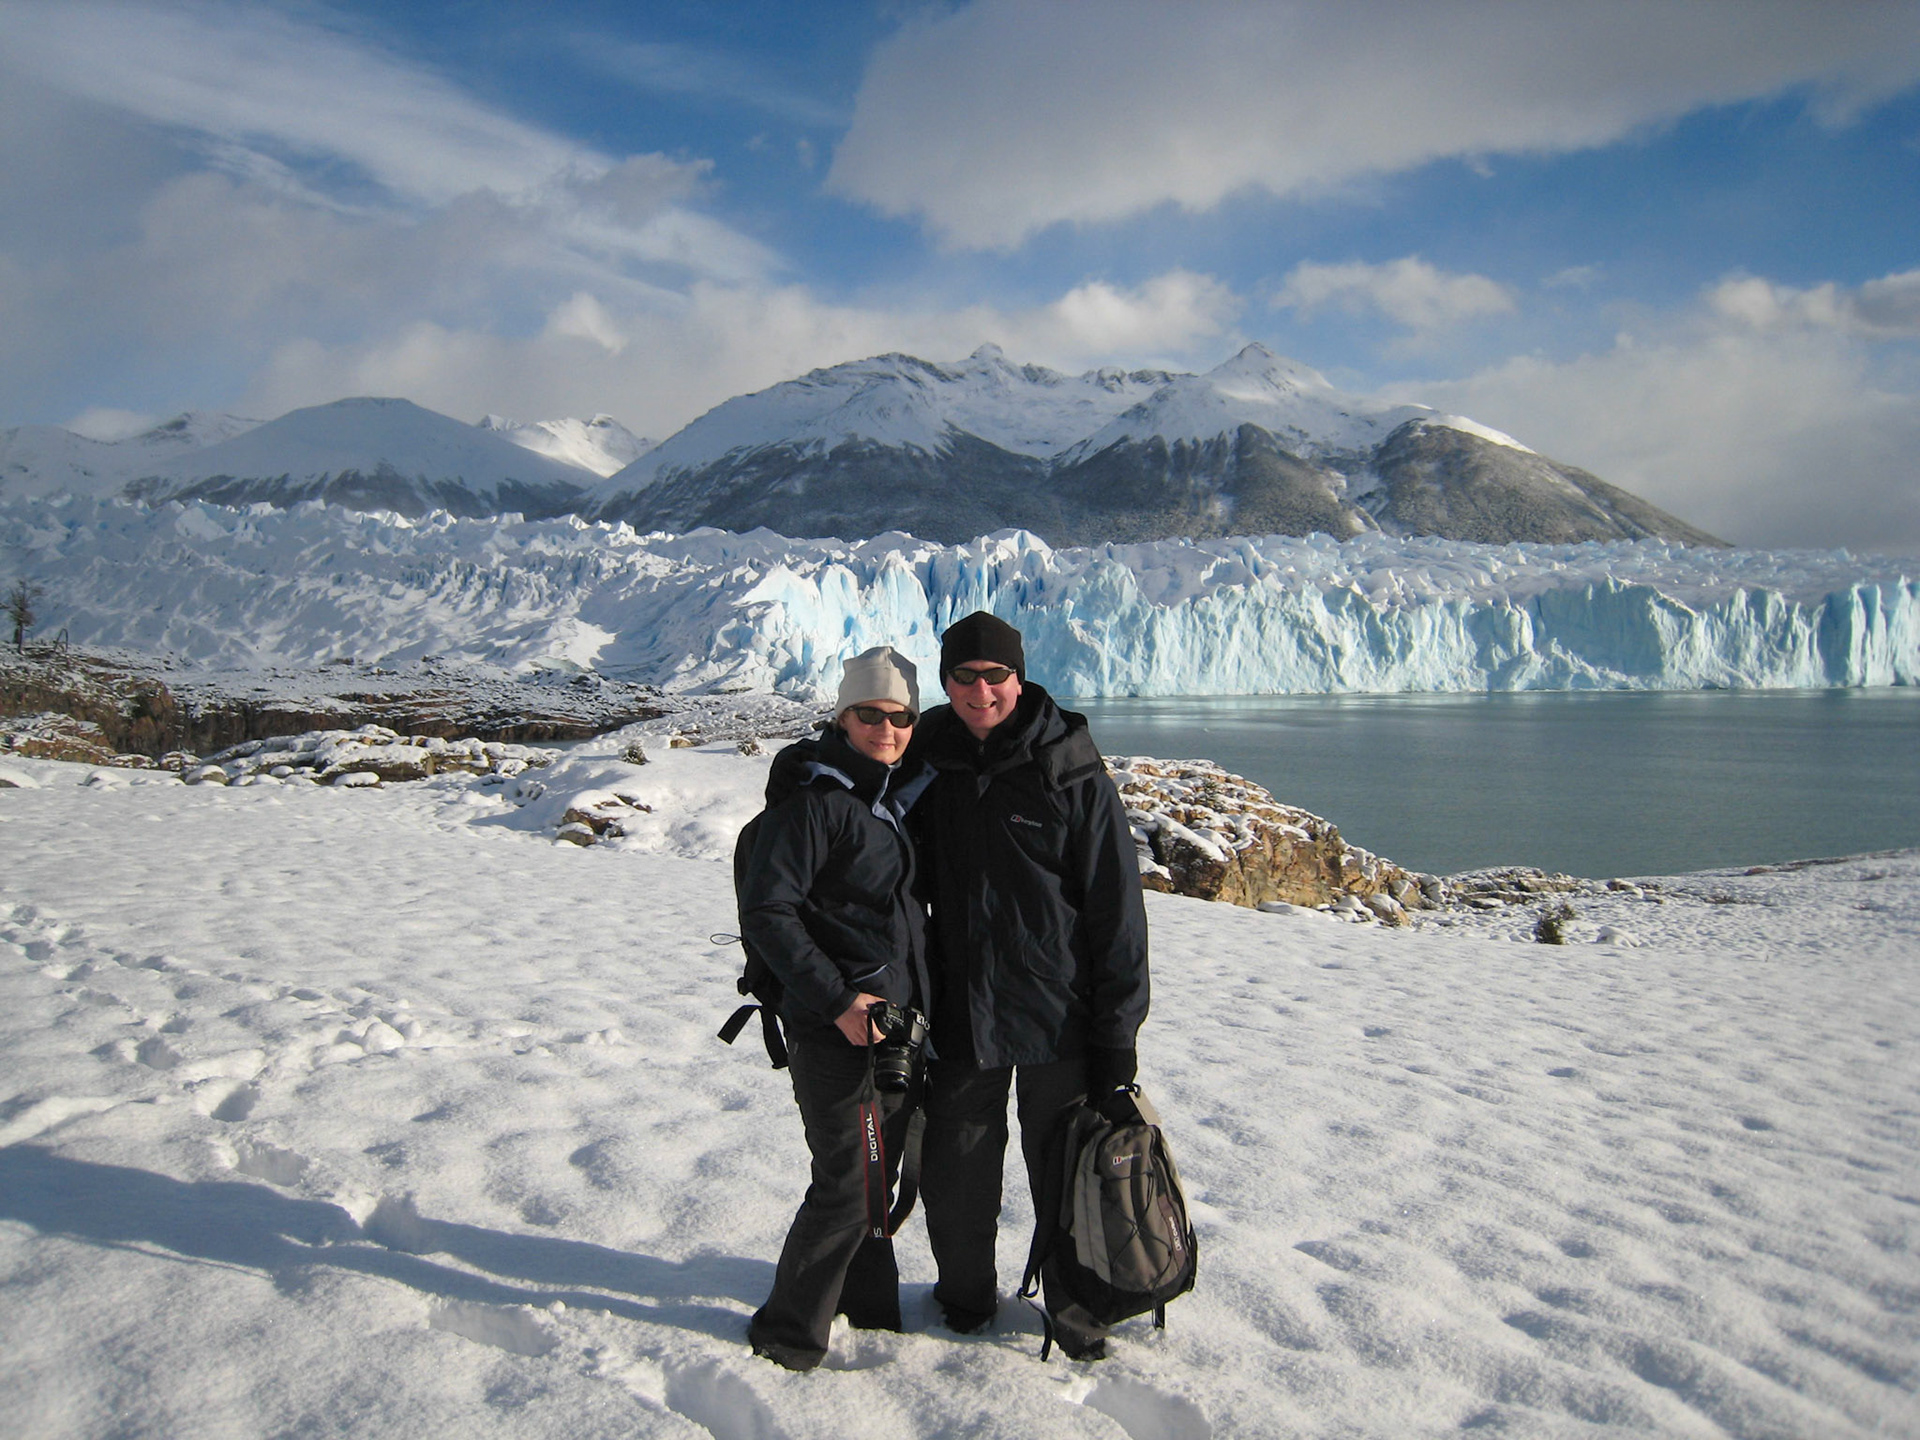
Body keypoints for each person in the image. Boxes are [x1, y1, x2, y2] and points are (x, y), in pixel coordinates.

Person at [909, 611, 1150, 1361]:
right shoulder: (925, 760)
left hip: (1061, 1016)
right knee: (956, 1170)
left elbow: (1116, 908)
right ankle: (964, 1300)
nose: (982, 692)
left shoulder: (1070, 765)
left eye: (996, 676)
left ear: (1021, 677)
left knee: (1068, 1171)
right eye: (964, 677)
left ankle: (1080, 1313)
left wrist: (1117, 1035)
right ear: (946, 681)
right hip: (959, 1011)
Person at [739, 645, 935, 1372]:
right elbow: (768, 910)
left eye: (901, 717)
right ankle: (788, 1333)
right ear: (842, 716)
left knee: (872, 1174)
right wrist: (839, 999)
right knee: (848, 1182)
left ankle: (860, 1302)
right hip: (835, 1030)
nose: (887, 727)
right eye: (870, 714)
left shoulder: (877, 796)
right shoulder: (818, 803)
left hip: (887, 1028)